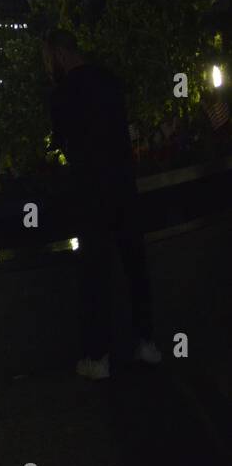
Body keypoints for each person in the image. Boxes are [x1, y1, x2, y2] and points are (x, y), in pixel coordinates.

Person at [43, 28, 161, 380]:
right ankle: (146, 341)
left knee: (95, 272)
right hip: (123, 183)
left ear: (58, 55)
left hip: (89, 190)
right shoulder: (110, 80)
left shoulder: (62, 93)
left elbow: (63, 141)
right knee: (134, 264)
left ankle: (98, 355)